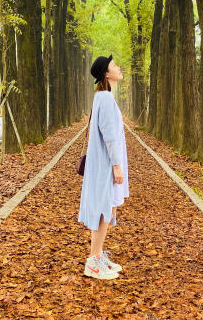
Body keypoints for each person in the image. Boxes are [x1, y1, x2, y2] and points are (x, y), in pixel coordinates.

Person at [78, 54, 129, 280]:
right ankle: (93, 262)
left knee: (108, 208)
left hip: (105, 163)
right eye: (113, 66)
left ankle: (97, 256)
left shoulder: (102, 96)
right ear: (106, 74)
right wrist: (117, 167)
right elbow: (109, 135)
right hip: (107, 164)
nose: (118, 68)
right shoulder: (106, 99)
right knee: (105, 209)